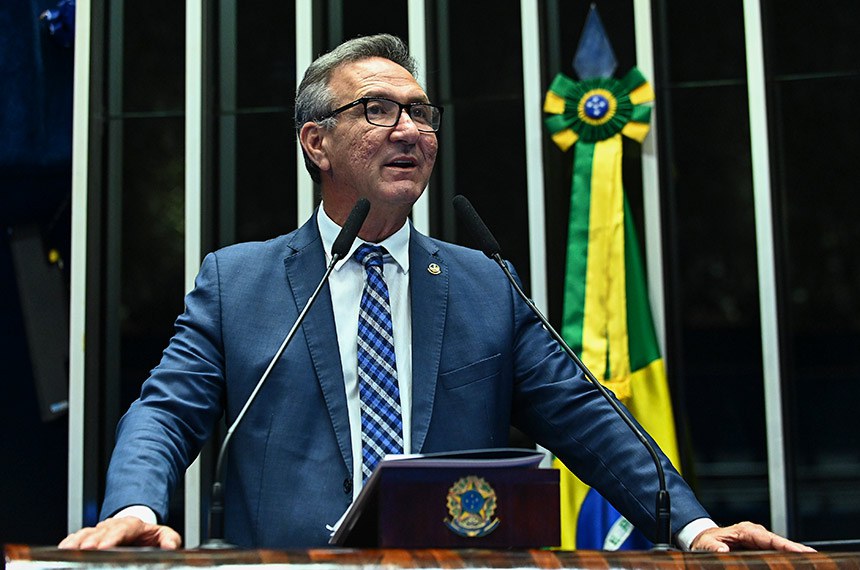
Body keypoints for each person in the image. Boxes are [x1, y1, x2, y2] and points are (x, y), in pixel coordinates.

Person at [60, 34, 811, 553]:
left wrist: (693, 528)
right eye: (379, 110)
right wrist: (135, 507)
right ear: (316, 143)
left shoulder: (484, 282)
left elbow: (589, 418)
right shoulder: (239, 283)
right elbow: (166, 409)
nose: (410, 130)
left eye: (421, 112)